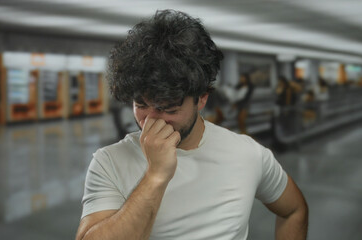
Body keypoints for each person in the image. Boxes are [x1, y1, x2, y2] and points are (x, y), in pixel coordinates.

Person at [76, 9, 308, 240]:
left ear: (202, 98)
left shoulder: (248, 154)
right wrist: (155, 176)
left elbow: (294, 210)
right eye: (142, 104)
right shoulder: (108, 162)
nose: (153, 120)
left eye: (169, 108)